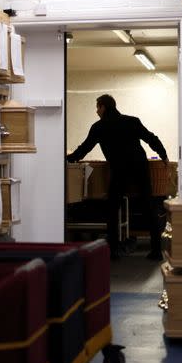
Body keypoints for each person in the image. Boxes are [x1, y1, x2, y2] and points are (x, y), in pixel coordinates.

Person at [67, 94, 169, 261]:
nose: (96, 111)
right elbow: (151, 138)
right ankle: (156, 250)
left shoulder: (99, 127)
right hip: (139, 167)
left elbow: (83, 149)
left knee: (112, 208)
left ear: (103, 107)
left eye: (97, 107)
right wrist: (163, 155)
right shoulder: (132, 121)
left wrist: (67, 159)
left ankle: (113, 250)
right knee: (148, 206)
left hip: (119, 169)